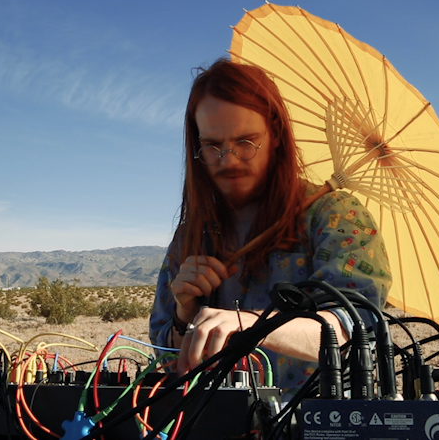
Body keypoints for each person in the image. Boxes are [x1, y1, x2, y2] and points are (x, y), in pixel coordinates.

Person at [149, 58, 391, 399]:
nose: (228, 159)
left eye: (246, 142)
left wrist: (255, 325)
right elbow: (168, 364)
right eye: (212, 146)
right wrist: (183, 313)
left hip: (314, 418)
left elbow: (352, 326)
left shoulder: (335, 216)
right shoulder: (192, 234)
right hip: (209, 418)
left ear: (275, 134)